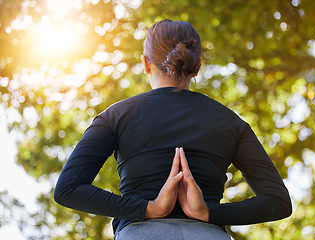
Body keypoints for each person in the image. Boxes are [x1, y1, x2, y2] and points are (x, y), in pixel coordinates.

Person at [54, 19, 292, 240]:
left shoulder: (115, 116)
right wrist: (209, 213)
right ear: (197, 66)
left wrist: (148, 208)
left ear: (146, 63)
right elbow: (278, 201)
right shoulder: (232, 123)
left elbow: (68, 189)